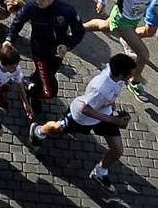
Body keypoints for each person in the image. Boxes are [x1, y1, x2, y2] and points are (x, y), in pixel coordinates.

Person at [30, 52, 140, 185]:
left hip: (104, 114)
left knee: (117, 150)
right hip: (81, 117)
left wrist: (115, 111)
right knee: (57, 129)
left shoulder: (117, 75)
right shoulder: (100, 89)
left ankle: (100, 171)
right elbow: (85, 109)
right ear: (121, 74)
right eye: (130, 74)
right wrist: (112, 120)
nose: (132, 76)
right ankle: (38, 131)